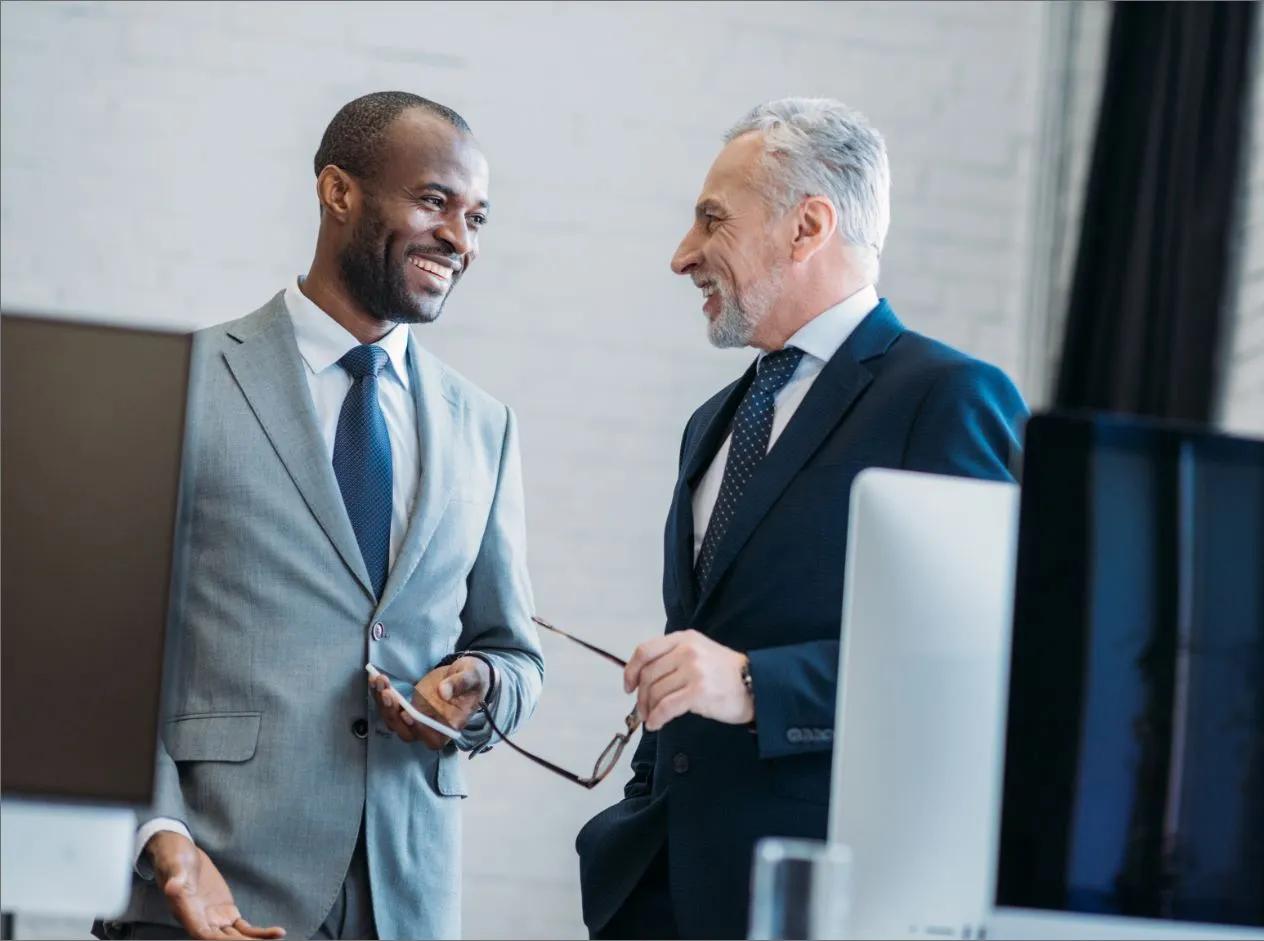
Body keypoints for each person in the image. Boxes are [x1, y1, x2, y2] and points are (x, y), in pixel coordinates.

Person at [574, 97, 1030, 940]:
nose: (683, 256)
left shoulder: (945, 398)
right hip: (661, 893)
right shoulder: (710, 422)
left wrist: (754, 685)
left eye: (712, 220)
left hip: (830, 900)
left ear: (807, 225)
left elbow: (987, 660)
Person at [94, 91, 545, 941]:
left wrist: (481, 687)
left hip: (405, 902)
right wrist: (165, 839)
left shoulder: (485, 425)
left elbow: (514, 651)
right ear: (338, 192)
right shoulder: (181, 382)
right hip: (207, 888)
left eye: (477, 217)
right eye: (434, 201)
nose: (460, 237)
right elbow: (104, 654)